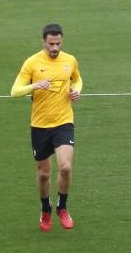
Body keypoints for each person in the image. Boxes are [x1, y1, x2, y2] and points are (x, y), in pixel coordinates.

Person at [10, 24, 82, 232]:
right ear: (43, 42)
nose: (55, 48)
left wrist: (76, 91)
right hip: (40, 125)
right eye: (51, 44)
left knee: (66, 167)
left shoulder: (70, 60)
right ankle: (45, 208)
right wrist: (34, 85)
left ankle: (62, 207)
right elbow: (14, 91)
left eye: (58, 43)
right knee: (43, 174)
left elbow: (77, 79)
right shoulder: (32, 63)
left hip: (64, 122)